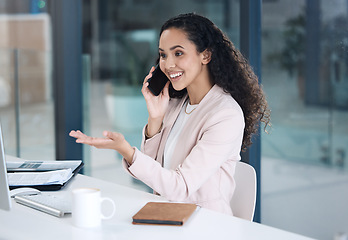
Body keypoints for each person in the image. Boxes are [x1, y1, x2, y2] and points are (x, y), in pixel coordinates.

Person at [70, 13, 270, 215]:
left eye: (178, 53)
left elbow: (180, 187)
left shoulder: (226, 115)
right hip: (167, 216)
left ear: (206, 55)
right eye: (163, 55)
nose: (168, 64)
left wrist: (126, 151)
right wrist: (155, 119)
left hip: (205, 225)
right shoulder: (176, 103)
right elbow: (151, 172)